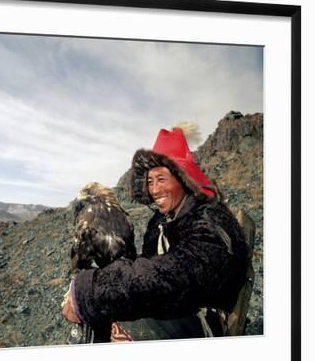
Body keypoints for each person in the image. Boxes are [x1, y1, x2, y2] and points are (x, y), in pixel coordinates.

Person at [62, 126, 250, 339]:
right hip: (176, 309)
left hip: (200, 322)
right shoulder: (162, 219)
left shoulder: (209, 219)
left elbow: (173, 276)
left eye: (161, 179)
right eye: (150, 181)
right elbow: (148, 269)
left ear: (183, 178)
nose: (154, 189)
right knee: (107, 312)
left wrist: (91, 292)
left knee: (115, 314)